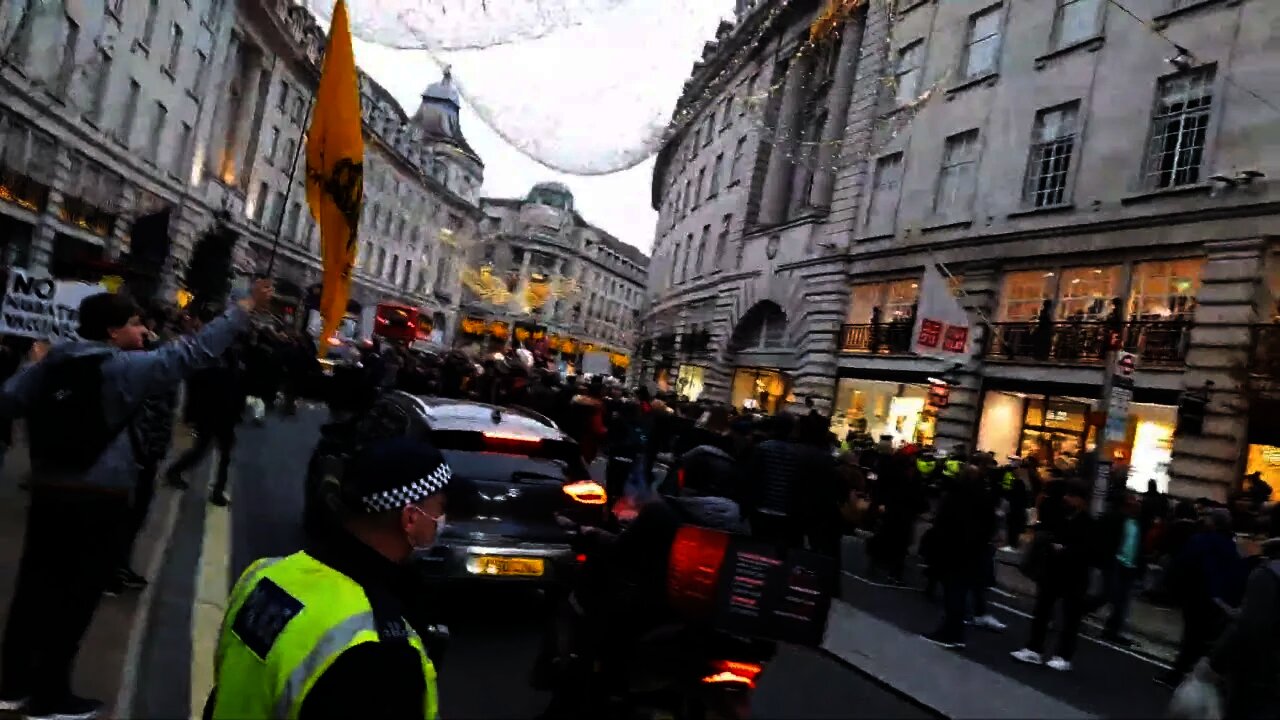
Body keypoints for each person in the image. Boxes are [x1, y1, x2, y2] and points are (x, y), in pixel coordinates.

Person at [0, 280, 272, 720]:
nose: (142, 330)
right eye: (132, 323)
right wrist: (243, 308)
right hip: (99, 498)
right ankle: (50, 698)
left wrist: (30, 363)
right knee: (76, 598)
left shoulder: (53, 362)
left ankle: (11, 686)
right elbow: (192, 354)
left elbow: (8, 400)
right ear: (111, 332)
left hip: (49, 491)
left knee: (34, 591)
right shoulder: (122, 368)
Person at [205, 435, 449, 720]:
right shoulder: (379, 653)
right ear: (411, 519)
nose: (443, 520)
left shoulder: (264, 575)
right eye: (440, 508)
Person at [165, 309, 246, 506]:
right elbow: (195, 387)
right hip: (210, 410)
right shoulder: (205, 356)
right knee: (203, 448)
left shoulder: (231, 355)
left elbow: (237, 384)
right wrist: (190, 413)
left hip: (226, 410)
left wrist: (238, 409)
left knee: (224, 452)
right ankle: (175, 471)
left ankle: (218, 489)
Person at [1011, 481, 1094, 672]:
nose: (1066, 498)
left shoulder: (1088, 523)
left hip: (1074, 576)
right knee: (1042, 611)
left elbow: (1088, 550)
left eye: (1071, 496)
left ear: (1080, 500)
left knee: (1070, 618)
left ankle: (1063, 656)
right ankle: (1034, 649)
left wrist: (1065, 549)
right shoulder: (1063, 516)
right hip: (1053, 572)